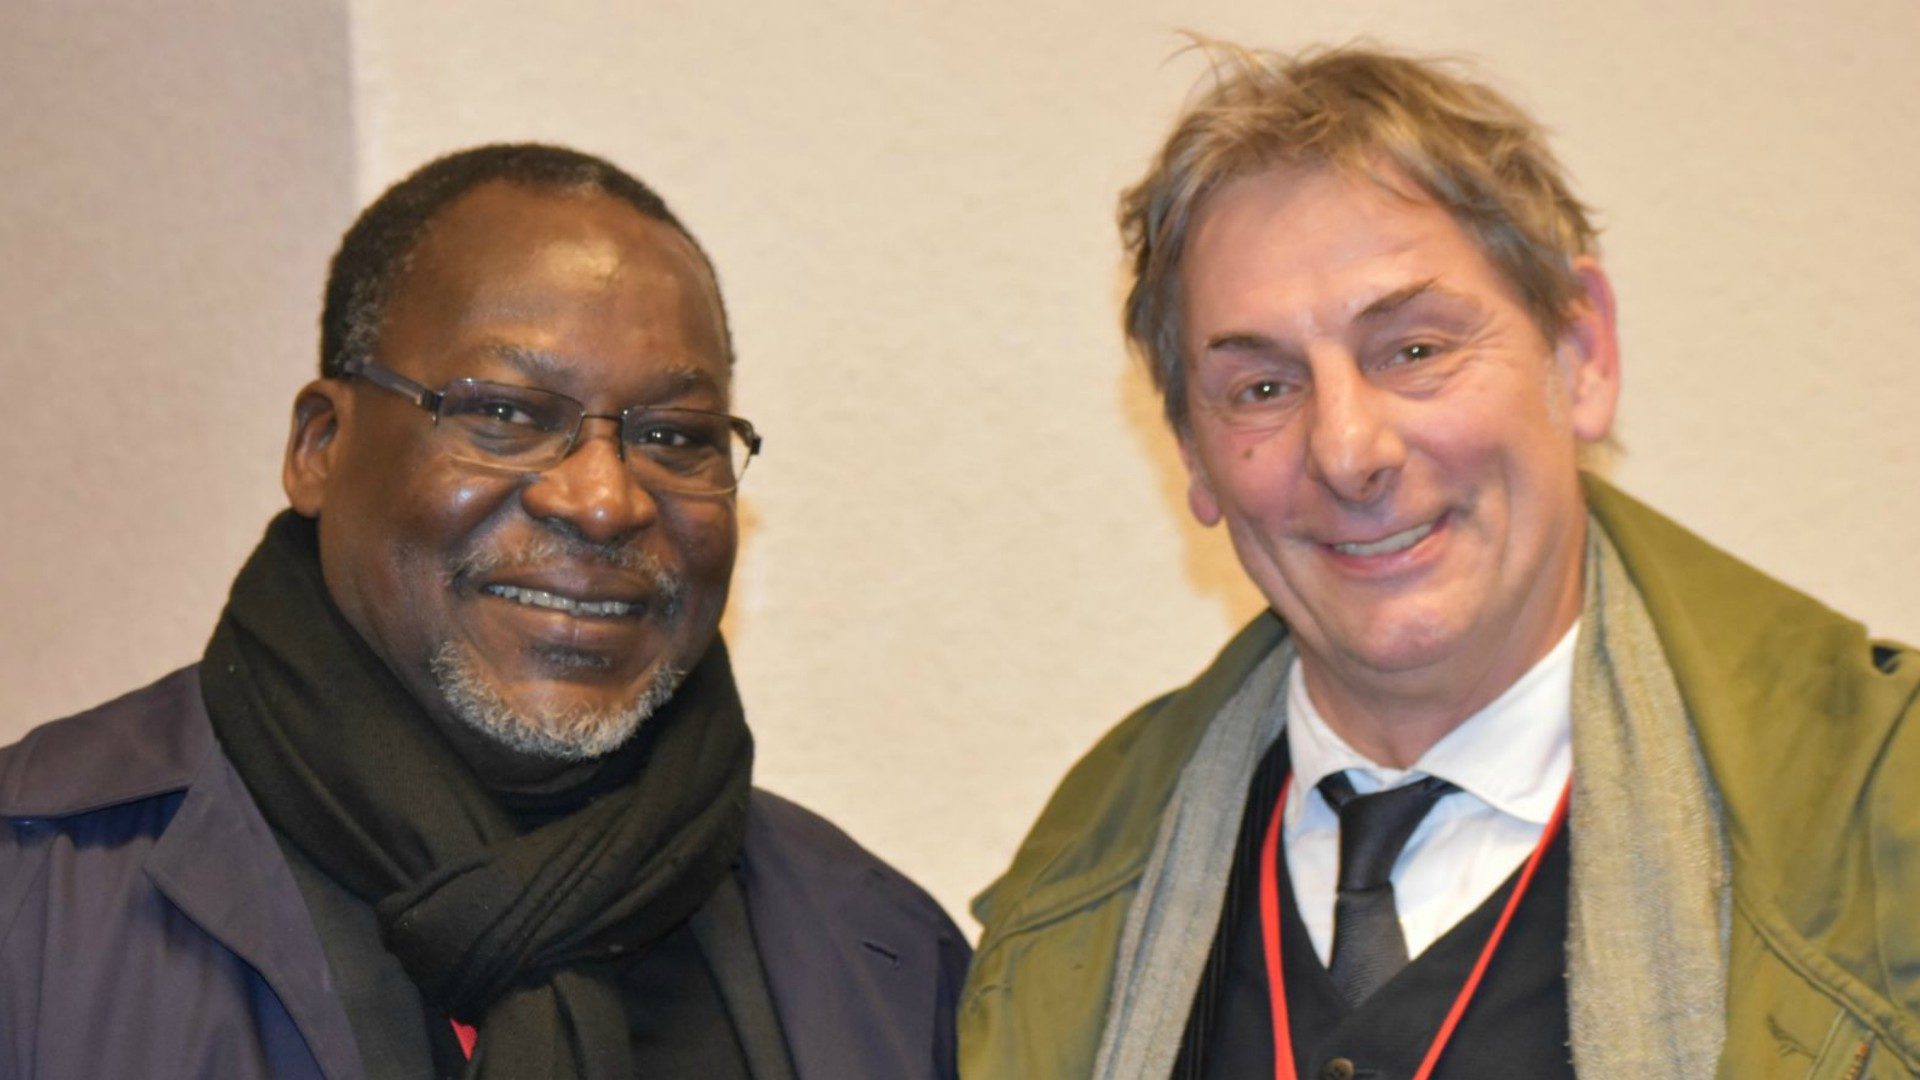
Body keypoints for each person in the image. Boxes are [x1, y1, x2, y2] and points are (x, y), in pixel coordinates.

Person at [961, 44, 1920, 1079]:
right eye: (1263, 389)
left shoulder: (1883, 832)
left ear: (1582, 354)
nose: (1348, 450)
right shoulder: (1072, 899)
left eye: (1412, 350)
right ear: (1194, 455)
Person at [0, 143, 966, 1080]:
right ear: (321, 447)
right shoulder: (37, 893)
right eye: (504, 414)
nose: (602, 501)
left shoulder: (883, 957)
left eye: (674, 435)